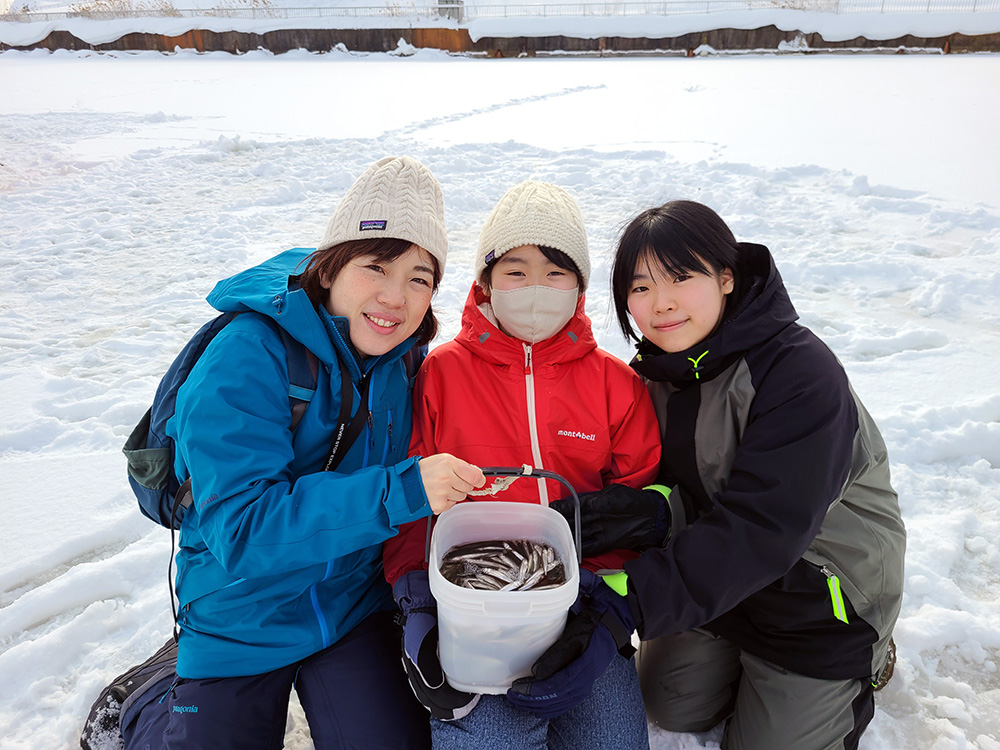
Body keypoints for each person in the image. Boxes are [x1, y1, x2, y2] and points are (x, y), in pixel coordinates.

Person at [114, 156, 485, 749]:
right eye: (376, 266)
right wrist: (404, 490)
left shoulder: (403, 358)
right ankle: (149, 700)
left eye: (420, 278)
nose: (395, 297)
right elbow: (242, 530)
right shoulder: (246, 355)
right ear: (330, 266)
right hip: (240, 611)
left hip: (351, 608)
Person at [537, 200, 906, 749]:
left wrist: (629, 600)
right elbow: (691, 486)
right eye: (640, 287)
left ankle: (867, 662)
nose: (661, 303)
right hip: (728, 588)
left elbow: (765, 526)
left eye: (681, 277)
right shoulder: (655, 374)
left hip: (820, 599)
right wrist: (649, 511)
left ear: (726, 277)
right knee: (668, 703)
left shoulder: (798, 373)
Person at [383, 181, 662, 750]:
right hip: (473, 607)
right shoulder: (440, 376)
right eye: (515, 271)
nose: (536, 288)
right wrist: (417, 603)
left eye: (555, 272)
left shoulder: (616, 384)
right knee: (486, 738)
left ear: (579, 287)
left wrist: (606, 611)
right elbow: (411, 495)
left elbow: (637, 504)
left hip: (581, 608)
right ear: (485, 282)